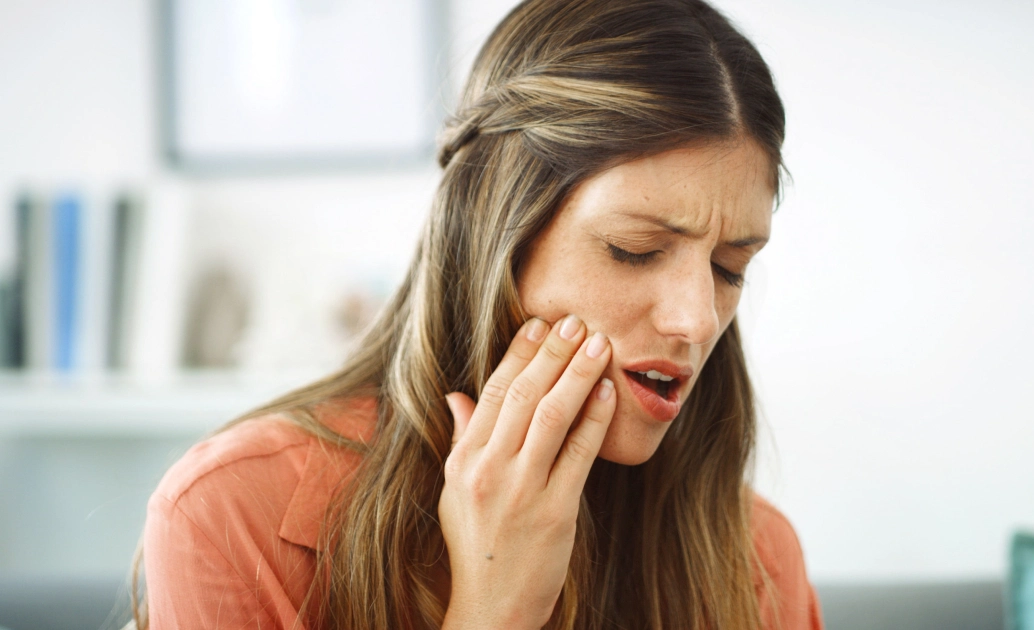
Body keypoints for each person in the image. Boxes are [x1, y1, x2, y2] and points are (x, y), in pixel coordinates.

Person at [132, 0, 823, 628]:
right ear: (495, 231)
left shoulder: (760, 558)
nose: (696, 321)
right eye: (633, 250)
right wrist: (496, 609)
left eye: (730, 268)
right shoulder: (229, 514)